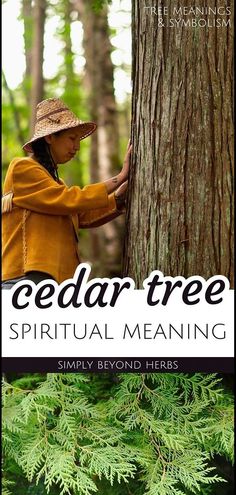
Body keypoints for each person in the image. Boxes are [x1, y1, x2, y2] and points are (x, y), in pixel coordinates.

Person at [2, 97, 131, 288]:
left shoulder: (55, 183)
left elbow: (80, 216)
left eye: (78, 140)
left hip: (55, 281)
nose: (77, 147)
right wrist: (119, 178)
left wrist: (118, 199)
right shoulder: (23, 168)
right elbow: (68, 199)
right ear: (50, 137)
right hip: (25, 279)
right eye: (72, 138)